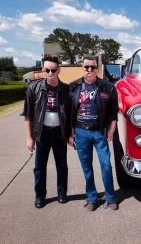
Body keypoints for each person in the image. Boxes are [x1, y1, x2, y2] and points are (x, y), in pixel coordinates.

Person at [69, 55, 119, 211]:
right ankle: (91, 197)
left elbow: (114, 113)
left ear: (97, 68)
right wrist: (70, 135)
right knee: (87, 167)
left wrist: (110, 131)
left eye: (92, 67)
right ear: (82, 68)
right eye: (86, 67)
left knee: (106, 165)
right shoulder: (73, 87)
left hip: (99, 133)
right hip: (81, 132)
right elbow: (69, 113)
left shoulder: (108, 87)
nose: (89, 70)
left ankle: (110, 198)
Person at [21, 55, 70, 209]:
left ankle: (62, 193)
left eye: (53, 70)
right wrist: (30, 138)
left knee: (62, 166)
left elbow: (71, 114)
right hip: (42, 134)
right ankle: (40, 196)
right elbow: (28, 114)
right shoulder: (34, 88)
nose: (50, 73)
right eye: (47, 70)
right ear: (43, 69)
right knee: (40, 168)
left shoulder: (65, 89)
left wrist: (70, 134)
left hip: (59, 133)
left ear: (58, 70)